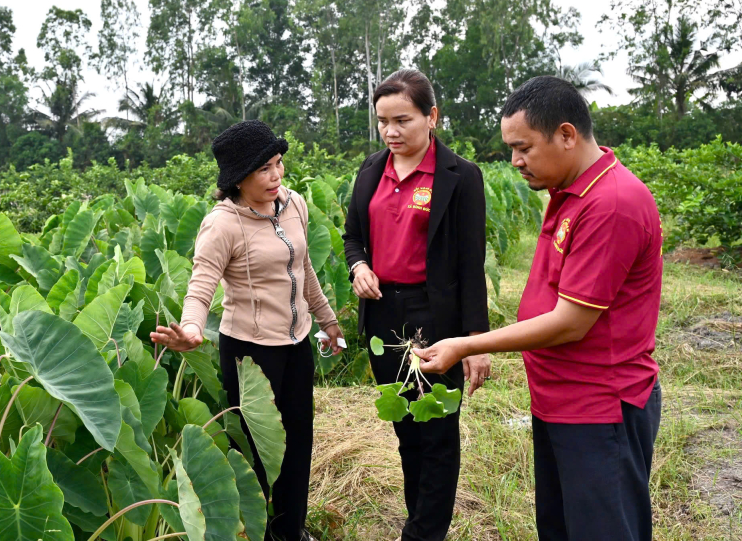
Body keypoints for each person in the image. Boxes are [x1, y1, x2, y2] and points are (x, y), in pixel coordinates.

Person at [414, 76, 663, 541]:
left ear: (566, 135)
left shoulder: (611, 204)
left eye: (523, 147)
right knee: (562, 527)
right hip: (562, 401)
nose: (516, 162)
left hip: (599, 407)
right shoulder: (570, 190)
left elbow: (571, 323)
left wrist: (468, 343)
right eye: (511, 149)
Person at [150, 119, 344, 541]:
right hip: (251, 351)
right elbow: (201, 286)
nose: (277, 176)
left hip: (296, 342)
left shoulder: (294, 204)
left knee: (298, 441)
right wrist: (191, 328)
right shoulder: (222, 224)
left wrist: (326, 319)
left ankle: (290, 529)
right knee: (256, 450)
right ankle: (256, 531)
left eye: (278, 164)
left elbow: (304, 267)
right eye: (264, 169)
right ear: (239, 178)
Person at [342, 69, 491, 541]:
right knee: (405, 424)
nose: (391, 131)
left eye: (402, 120)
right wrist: (358, 267)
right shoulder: (371, 170)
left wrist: (476, 342)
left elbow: (471, 264)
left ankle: (424, 533)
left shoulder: (460, 177)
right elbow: (352, 239)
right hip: (385, 314)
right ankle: (418, 520)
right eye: (383, 121)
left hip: (434, 317)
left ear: (432, 117)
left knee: (438, 431)